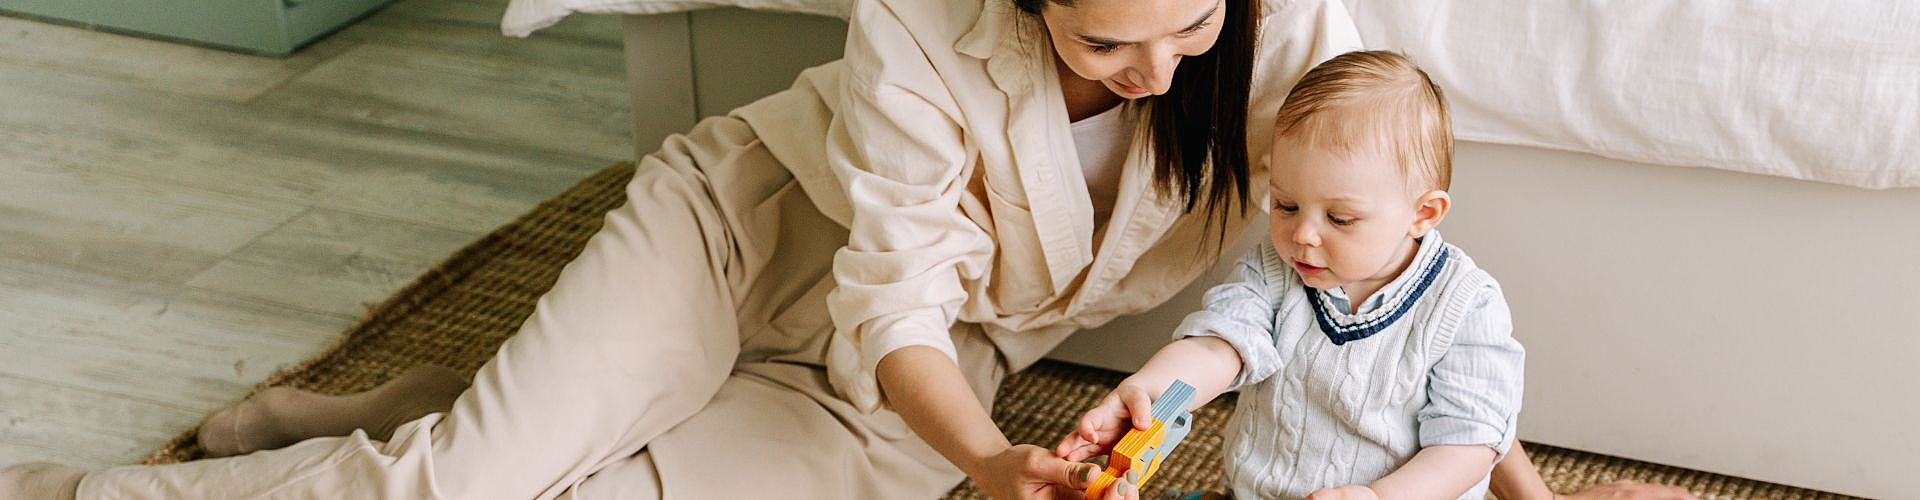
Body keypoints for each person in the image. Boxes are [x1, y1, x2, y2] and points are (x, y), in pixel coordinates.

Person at [0, 1, 1691, 499]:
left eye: (1188, 26)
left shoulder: (1276, 64)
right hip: (757, 249)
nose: (1161, 74)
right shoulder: (916, 29)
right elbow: (889, 278)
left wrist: (1492, 455)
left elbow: (1403, 315)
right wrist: (989, 469)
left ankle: (339, 415)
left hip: (940, 363)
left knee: (587, 493)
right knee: (465, 491)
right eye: (1108, 44)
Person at [1051, 51, 1694, 500]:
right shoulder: (1277, 271)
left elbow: (1471, 444)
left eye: (1341, 217)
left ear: (1423, 213)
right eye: (1286, 203)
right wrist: (1153, 386)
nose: (1303, 232)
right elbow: (1222, 344)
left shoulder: (1464, 307)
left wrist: (1378, 496)